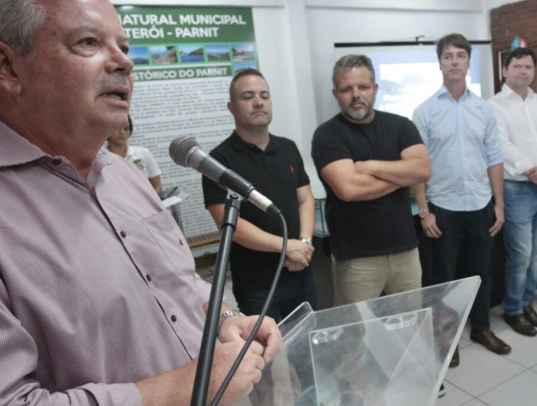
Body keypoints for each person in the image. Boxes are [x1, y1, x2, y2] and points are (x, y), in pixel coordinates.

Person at [0, 0, 280, 406]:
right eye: (88, 43)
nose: (123, 63)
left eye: (123, 46)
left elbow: (184, 289)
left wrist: (227, 321)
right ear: (4, 65)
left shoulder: (124, 177)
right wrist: (178, 389)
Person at [411, 33, 510, 356]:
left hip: (480, 204)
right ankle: (445, 339)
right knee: (443, 278)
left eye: (460, 56)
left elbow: (494, 158)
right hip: (443, 207)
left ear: (468, 62)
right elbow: (417, 166)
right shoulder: (424, 111)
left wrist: (499, 205)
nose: (454, 62)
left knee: (481, 273)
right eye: (447, 56)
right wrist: (424, 211)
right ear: (439, 63)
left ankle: (481, 327)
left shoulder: (483, 108)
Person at [311, 54, 431, 306]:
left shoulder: (401, 126)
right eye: (347, 89)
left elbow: (422, 170)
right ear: (336, 93)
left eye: (363, 87)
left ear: (375, 89)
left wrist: (370, 166)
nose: (356, 95)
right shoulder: (327, 135)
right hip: (356, 259)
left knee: (410, 327)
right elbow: (349, 189)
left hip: (405, 252)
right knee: (354, 335)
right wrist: (402, 175)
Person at [202, 68, 318, 322]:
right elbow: (228, 224)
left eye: (264, 95)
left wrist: (305, 244)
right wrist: (289, 247)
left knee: (309, 349)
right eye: (248, 96)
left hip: (301, 271)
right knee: (265, 359)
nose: (258, 102)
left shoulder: (287, 147)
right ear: (231, 107)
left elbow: (306, 199)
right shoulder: (218, 161)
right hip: (257, 284)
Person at [489, 47, 537, 336]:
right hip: (517, 188)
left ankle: (526, 302)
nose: (523, 71)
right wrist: (535, 174)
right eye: (517, 66)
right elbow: (502, 147)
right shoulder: (494, 105)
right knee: (520, 254)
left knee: (536, 252)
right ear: (504, 71)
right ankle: (513, 310)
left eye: (528, 67)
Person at [106, 115, 163, 193]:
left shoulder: (143, 153)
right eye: (118, 128)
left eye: (126, 129)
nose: (122, 132)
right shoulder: (100, 157)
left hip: (145, 203)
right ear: (108, 130)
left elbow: (157, 184)